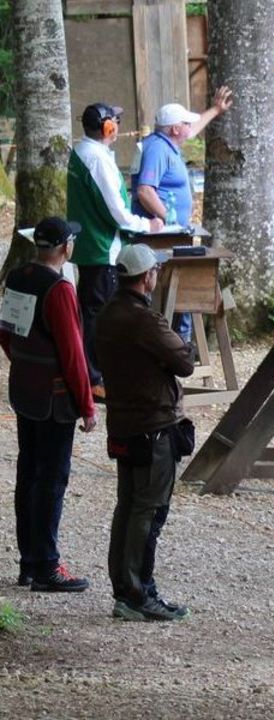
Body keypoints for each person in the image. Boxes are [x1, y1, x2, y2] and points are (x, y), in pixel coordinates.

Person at [95, 244, 196, 621]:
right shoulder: (144, 321)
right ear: (148, 276)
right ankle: (139, 593)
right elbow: (184, 362)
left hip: (123, 423)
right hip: (153, 426)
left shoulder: (107, 315)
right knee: (148, 512)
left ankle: (125, 589)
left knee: (128, 507)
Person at [0, 217, 97, 592]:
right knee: (52, 480)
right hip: (55, 399)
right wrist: (87, 404)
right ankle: (46, 566)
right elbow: (72, 354)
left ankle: (29, 562)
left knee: (28, 475)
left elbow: (6, 331)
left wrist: (25, 362)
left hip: (25, 389)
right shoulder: (59, 289)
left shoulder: (19, 277)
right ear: (65, 247)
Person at [67, 102, 163, 401]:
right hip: (102, 249)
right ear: (107, 127)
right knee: (100, 317)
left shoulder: (85, 153)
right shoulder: (96, 159)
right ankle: (95, 379)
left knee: (93, 313)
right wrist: (148, 226)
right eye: (116, 121)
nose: (118, 126)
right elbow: (117, 211)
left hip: (93, 247)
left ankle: (95, 375)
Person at [131, 87, 234, 342]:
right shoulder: (157, 149)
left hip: (173, 234)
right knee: (173, 292)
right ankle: (179, 343)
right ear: (175, 129)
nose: (190, 127)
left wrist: (216, 110)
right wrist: (170, 219)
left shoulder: (166, 143)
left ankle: (181, 342)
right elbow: (145, 190)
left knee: (181, 292)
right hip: (165, 236)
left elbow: (195, 127)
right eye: (185, 123)